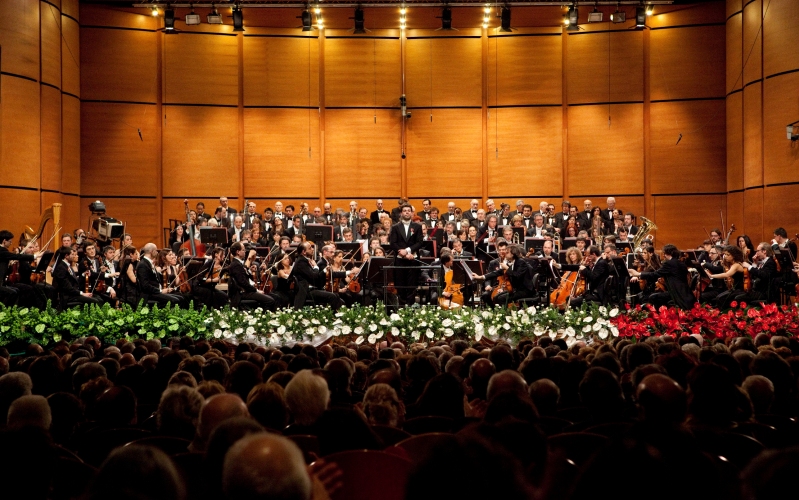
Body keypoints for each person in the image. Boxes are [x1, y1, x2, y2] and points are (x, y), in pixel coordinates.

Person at [630, 244, 696, 309]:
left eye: (664, 253)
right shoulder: (680, 263)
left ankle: (660, 315)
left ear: (669, 253)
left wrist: (638, 274)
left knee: (654, 297)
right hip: (685, 293)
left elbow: (655, 274)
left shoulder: (669, 263)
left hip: (677, 294)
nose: (663, 255)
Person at [291, 241, 343, 310]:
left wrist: (324, 271)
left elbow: (316, 276)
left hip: (312, 288)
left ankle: (338, 315)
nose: (312, 249)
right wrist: (316, 267)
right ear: (304, 252)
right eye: (310, 248)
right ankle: (334, 316)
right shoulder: (301, 262)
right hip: (305, 291)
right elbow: (314, 276)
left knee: (336, 295)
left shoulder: (306, 260)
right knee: (332, 296)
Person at [389, 204, 423, 306]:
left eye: (409, 210)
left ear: (412, 213)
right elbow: (393, 243)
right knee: (400, 285)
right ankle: (402, 307)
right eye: (405, 210)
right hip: (400, 260)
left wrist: (407, 251)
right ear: (401, 213)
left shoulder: (417, 226)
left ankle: (411, 308)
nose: (407, 212)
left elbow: (420, 242)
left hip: (413, 260)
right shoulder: (395, 227)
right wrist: (403, 253)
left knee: (412, 286)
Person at [228, 242, 277, 311]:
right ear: (238, 252)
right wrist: (256, 290)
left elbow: (244, 277)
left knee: (273, 297)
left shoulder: (238, 263)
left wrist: (250, 271)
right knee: (270, 300)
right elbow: (243, 283)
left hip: (245, 291)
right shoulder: (236, 265)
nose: (245, 251)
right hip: (241, 293)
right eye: (243, 250)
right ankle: (264, 318)